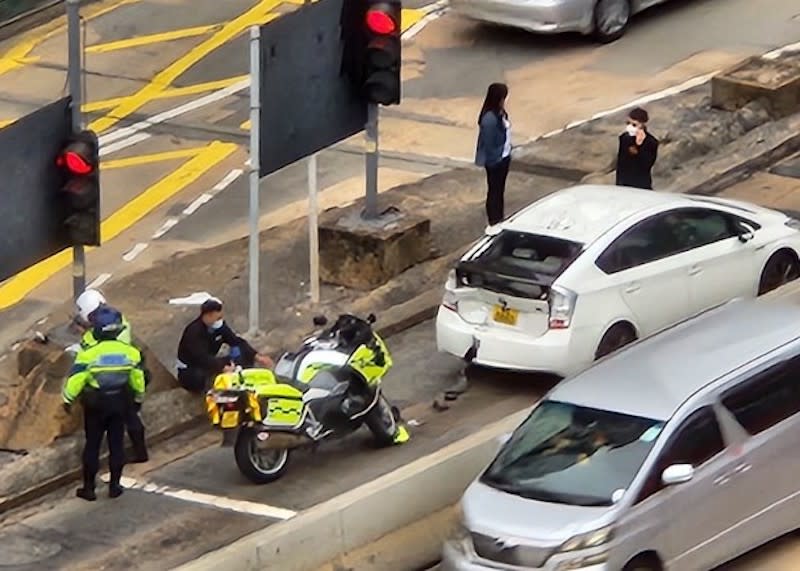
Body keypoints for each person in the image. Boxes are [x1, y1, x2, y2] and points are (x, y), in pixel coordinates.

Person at [62, 307, 146, 501]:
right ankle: (115, 486)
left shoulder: (89, 354)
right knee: (116, 444)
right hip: (119, 402)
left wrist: (67, 400)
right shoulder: (130, 353)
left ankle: (89, 489)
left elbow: (76, 381)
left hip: (96, 405)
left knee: (92, 445)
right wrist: (138, 399)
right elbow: (138, 380)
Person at [75, 288, 149, 463]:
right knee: (132, 415)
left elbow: (93, 351)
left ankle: (139, 453)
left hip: (118, 379)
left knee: (129, 416)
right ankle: (140, 452)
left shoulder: (106, 330)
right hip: (129, 371)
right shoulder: (115, 319)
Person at [176, 297, 273, 394]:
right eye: (217, 318)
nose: (220, 320)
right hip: (191, 367)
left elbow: (235, 340)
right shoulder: (193, 332)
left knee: (242, 353)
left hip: (211, 360)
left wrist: (257, 356)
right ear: (208, 316)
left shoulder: (219, 326)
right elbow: (201, 357)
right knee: (198, 377)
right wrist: (222, 367)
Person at [475, 82, 512, 231]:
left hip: (504, 156)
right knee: (495, 192)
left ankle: (499, 218)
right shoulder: (489, 119)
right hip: (497, 161)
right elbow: (490, 145)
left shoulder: (499, 112)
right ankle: (494, 221)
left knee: (499, 191)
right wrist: (497, 159)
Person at [615, 107, 659, 190]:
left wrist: (639, 147)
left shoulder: (651, 142)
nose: (630, 126)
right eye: (628, 123)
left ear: (642, 124)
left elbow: (647, 164)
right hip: (623, 183)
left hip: (640, 185)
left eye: (634, 124)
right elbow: (621, 163)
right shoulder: (624, 138)